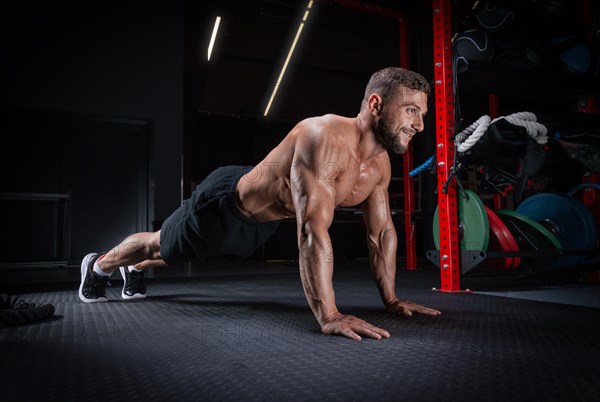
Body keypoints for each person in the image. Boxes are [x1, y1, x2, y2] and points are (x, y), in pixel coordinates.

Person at [78, 66, 442, 340]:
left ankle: (135, 269)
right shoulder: (323, 137)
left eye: (422, 114)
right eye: (411, 110)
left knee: (179, 254)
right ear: (376, 104)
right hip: (224, 204)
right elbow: (311, 231)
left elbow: (381, 233)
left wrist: (391, 299)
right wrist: (329, 316)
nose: (420, 125)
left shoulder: (378, 165)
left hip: (262, 222)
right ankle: (99, 266)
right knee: (162, 243)